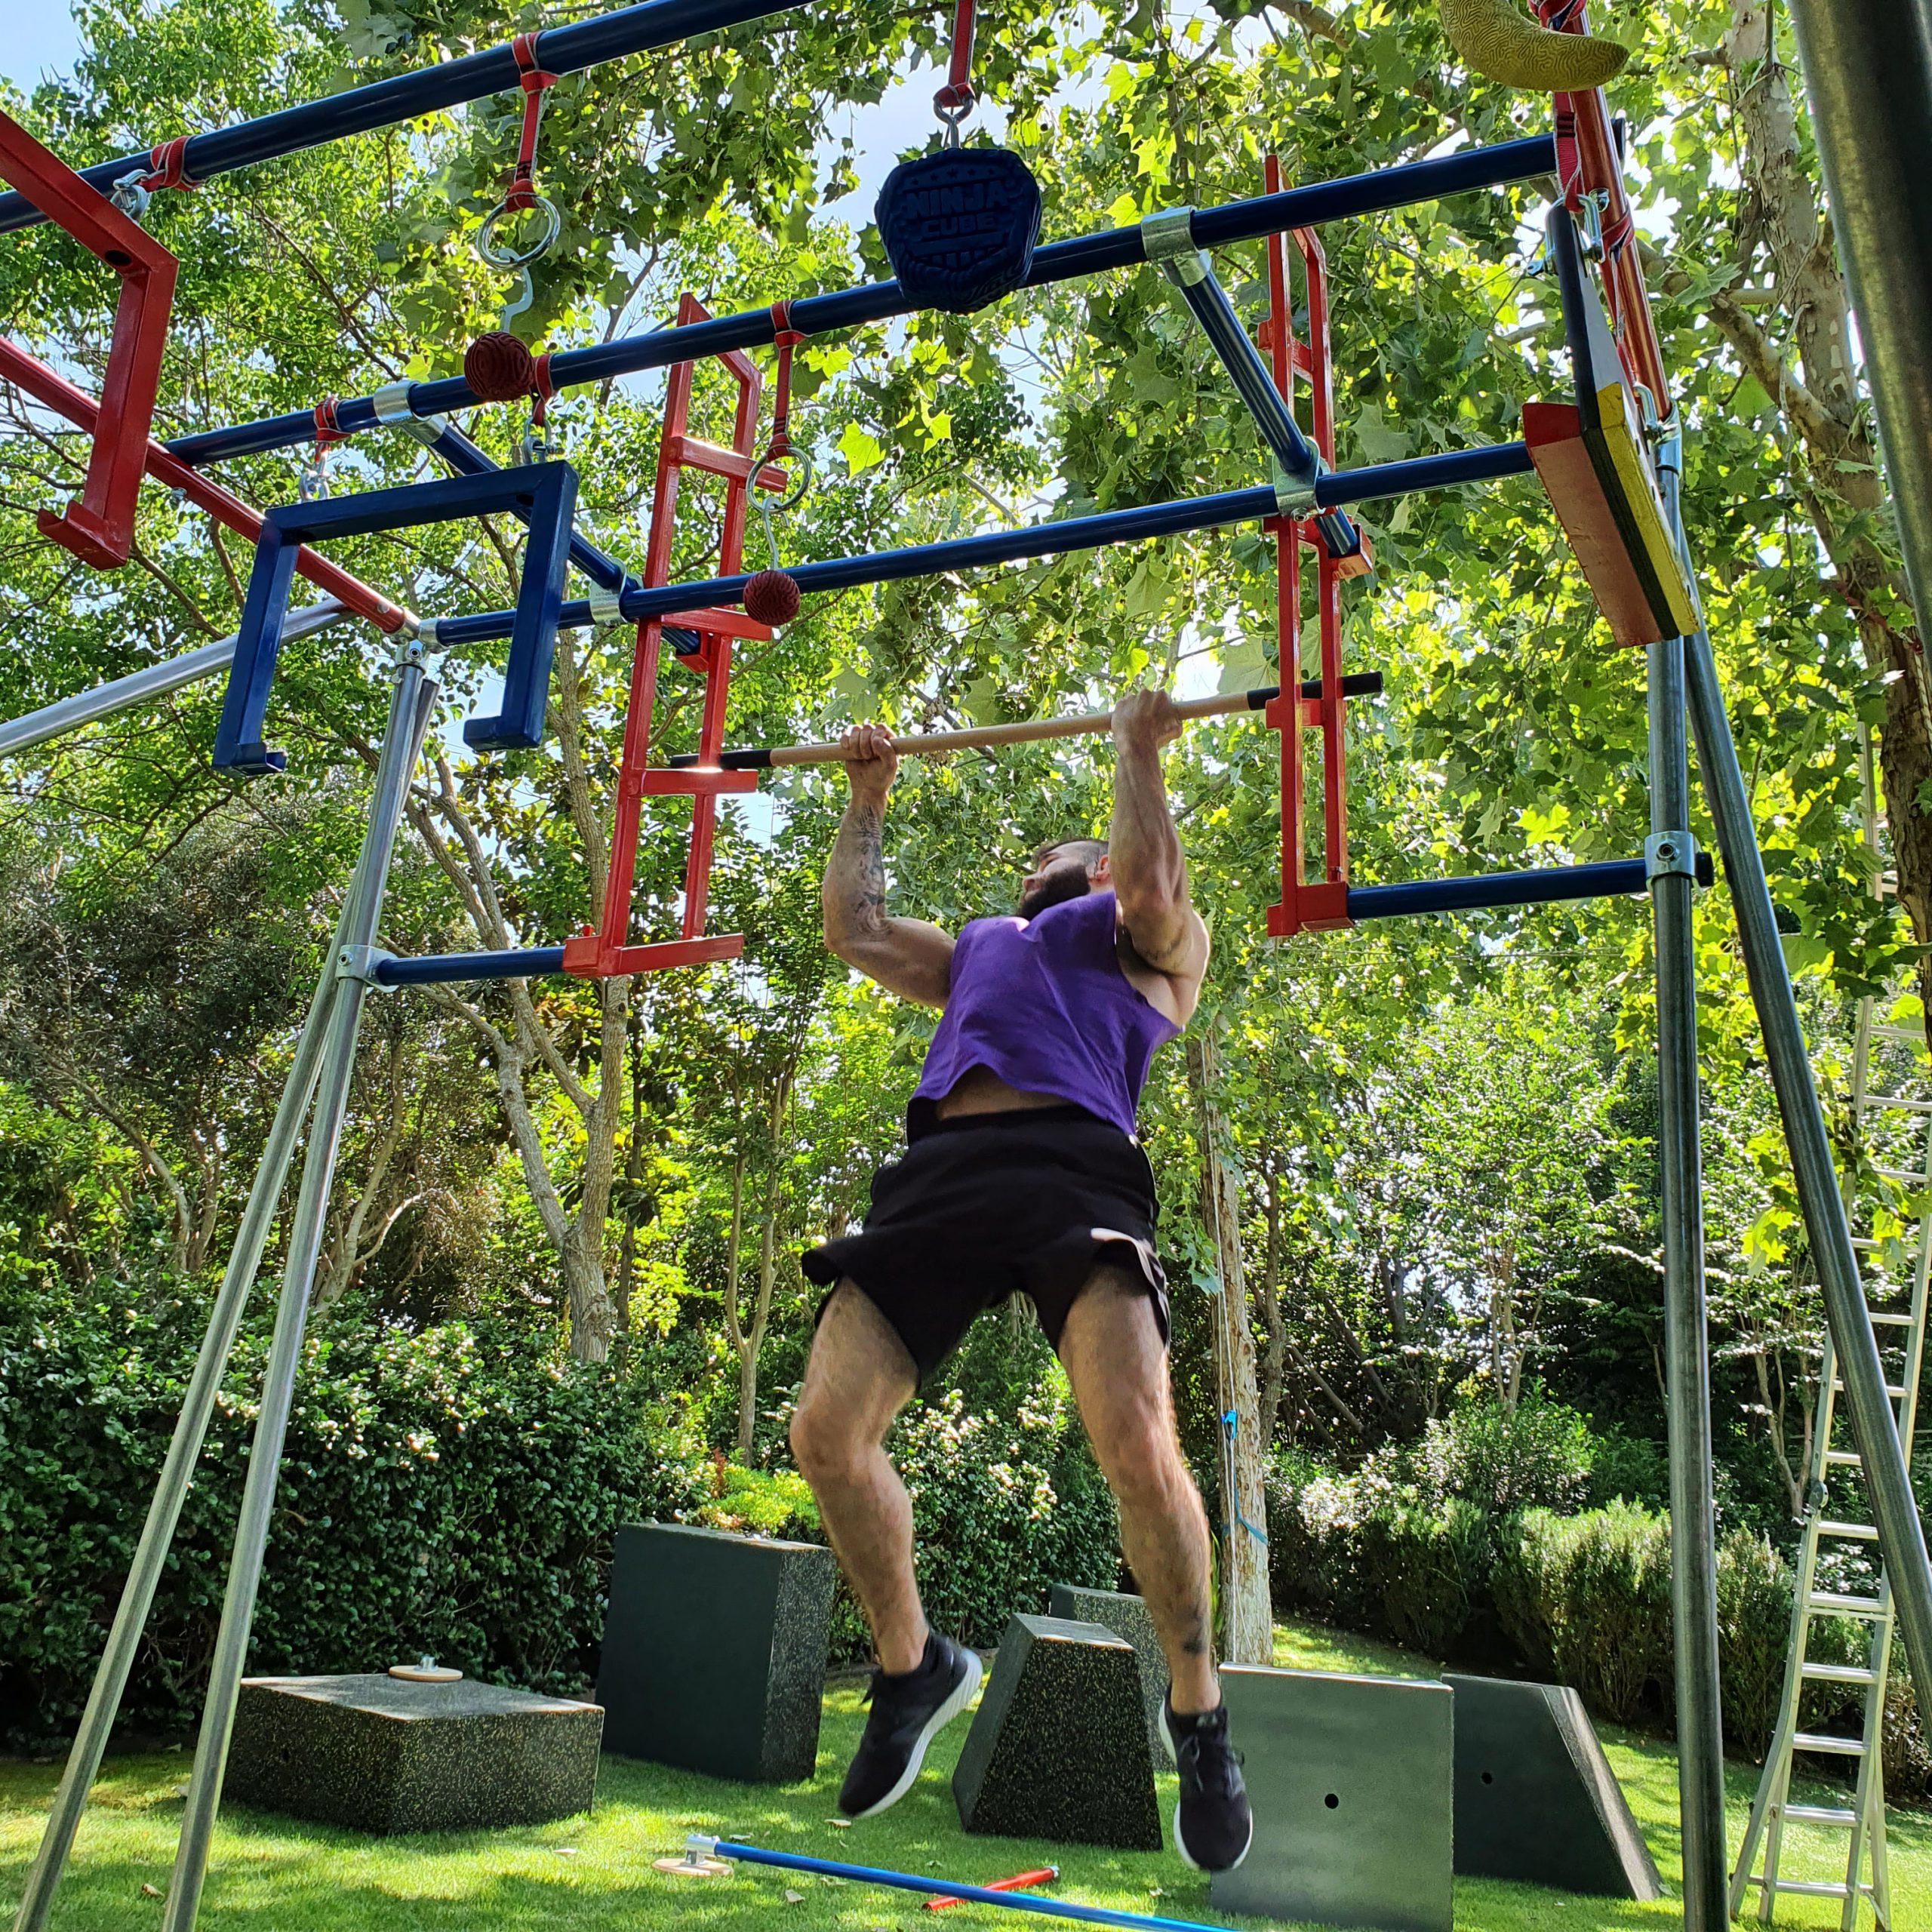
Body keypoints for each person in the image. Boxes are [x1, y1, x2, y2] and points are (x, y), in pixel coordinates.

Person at [790, 688, 1251, 1873]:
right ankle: (912, 1668)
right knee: (825, 1434)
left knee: (1136, 1444)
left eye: (1059, 851)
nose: (1035, 863)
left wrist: (1136, 749)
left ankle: (1199, 1712)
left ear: (1096, 864)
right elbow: (854, 928)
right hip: (941, 1172)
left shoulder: (1149, 941)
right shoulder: (980, 951)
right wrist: (867, 795)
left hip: (1076, 1166)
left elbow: (1151, 889)